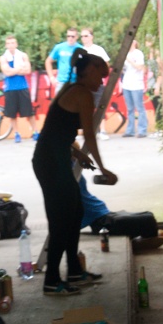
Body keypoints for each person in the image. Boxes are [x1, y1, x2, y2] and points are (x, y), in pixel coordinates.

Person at [33, 49, 118, 296]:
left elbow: (57, 129)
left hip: (53, 158)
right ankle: (51, 281)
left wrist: (77, 153)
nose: (101, 82)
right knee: (61, 220)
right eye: (100, 76)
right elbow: (89, 134)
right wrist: (103, 168)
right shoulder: (82, 94)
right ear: (89, 71)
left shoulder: (71, 88)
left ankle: (74, 271)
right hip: (51, 162)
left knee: (76, 212)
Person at [78, 175, 163, 250]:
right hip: (102, 224)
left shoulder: (75, 168)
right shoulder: (71, 177)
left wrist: (102, 169)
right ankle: (143, 240)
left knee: (148, 215)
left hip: (106, 214)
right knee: (148, 220)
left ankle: (145, 237)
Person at [0, 35, 39, 143]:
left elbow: (27, 70)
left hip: (22, 87)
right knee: (12, 114)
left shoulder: (23, 55)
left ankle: (35, 132)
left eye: (13, 43)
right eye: (9, 43)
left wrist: (12, 70)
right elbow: (7, 72)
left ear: (16, 44)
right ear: (6, 45)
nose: (11, 45)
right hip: (10, 89)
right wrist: (19, 69)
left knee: (29, 112)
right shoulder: (3, 58)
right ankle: (17, 133)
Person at [80, 27, 111, 141]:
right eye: (82, 36)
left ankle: (102, 130)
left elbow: (106, 64)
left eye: (86, 36)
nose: (83, 38)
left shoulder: (98, 50)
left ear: (91, 37)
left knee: (99, 106)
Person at [121, 40, 147, 138]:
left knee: (139, 108)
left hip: (136, 84)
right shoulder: (126, 53)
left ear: (135, 43)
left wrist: (129, 60)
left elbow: (139, 67)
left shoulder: (138, 53)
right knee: (130, 109)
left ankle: (142, 130)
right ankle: (130, 130)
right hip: (126, 84)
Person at [44, 27, 80, 95]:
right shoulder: (59, 47)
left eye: (72, 36)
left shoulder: (80, 49)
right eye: (68, 36)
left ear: (77, 37)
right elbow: (48, 61)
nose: (70, 38)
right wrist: (51, 77)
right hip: (61, 82)